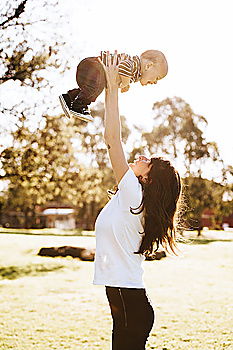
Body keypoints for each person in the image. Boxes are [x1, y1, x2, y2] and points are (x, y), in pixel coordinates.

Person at [93, 51, 182, 350]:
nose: (141, 155)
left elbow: (112, 139)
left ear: (148, 179)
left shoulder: (133, 194)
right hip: (128, 305)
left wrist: (111, 87)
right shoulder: (131, 198)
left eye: (148, 161)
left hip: (130, 306)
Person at [59, 49, 168, 122]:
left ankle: (68, 98)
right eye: (157, 78)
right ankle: (79, 106)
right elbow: (124, 66)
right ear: (148, 66)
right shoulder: (135, 65)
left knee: (91, 89)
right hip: (94, 67)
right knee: (95, 88)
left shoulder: (136, 73)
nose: (155, 82)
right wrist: (125, 83)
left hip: (91, 70)